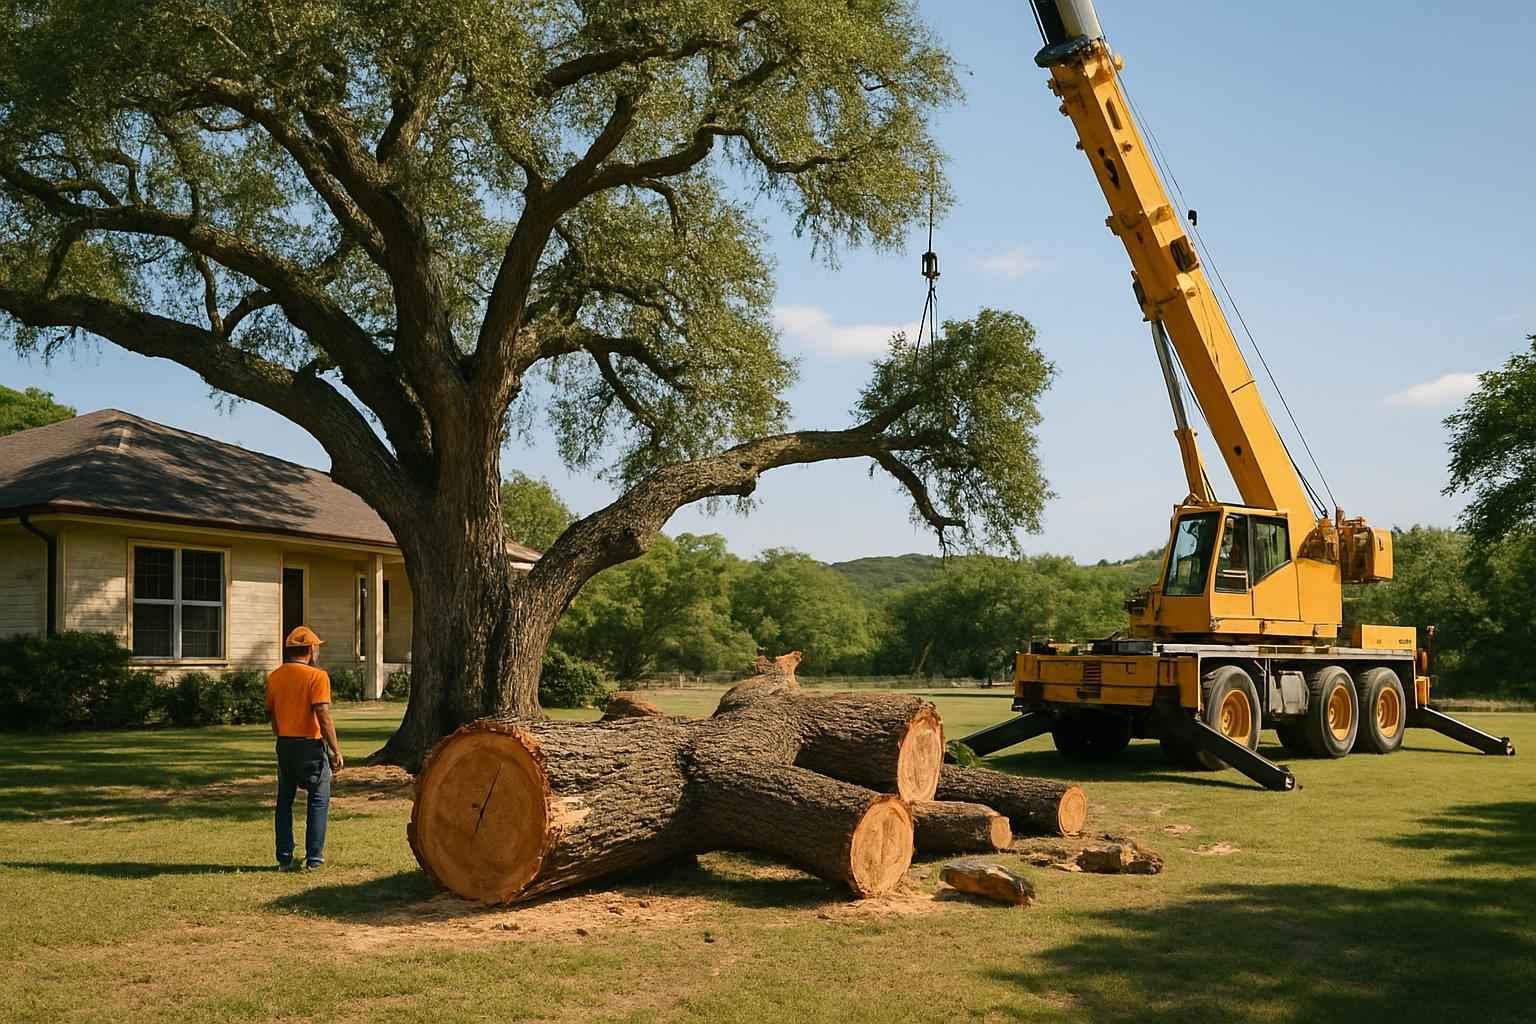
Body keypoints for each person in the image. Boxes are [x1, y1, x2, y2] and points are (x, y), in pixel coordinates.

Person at [266, 626, 343, 870]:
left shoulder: (275, 677)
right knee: (318, 799)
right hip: (311, 745)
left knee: (285, 801)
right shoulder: (317, 677)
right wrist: (335, 750)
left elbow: (273, 714)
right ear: (310, 649)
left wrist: (281, 735)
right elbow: (322, 713)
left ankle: (284, 856)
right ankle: (314, 858)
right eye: (316, 646)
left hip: (285, 744)